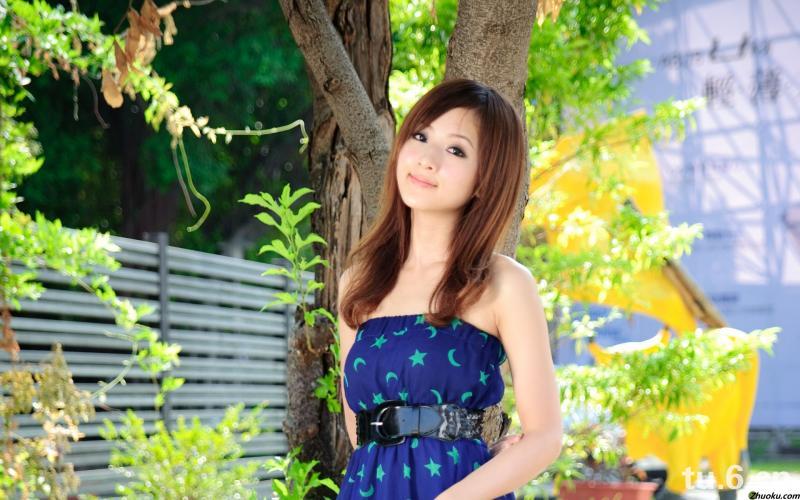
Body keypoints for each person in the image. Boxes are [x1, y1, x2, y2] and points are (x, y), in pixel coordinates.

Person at [336, 78, 562, 499]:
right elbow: (360, 432)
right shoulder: (359, 282)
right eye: (420, 137)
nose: (427, 159)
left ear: (485, 180)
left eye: (456, 150)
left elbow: (545, 437)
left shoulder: (504, 284)